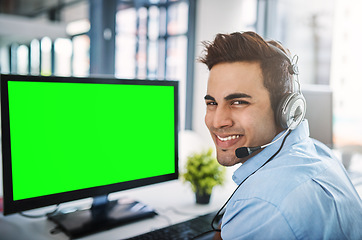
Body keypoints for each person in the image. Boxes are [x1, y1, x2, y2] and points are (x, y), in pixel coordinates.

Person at [198, 31, 362, 239]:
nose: (217, 121)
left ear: (285, 110)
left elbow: (267, 207)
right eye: (212, 103)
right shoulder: (319, 153)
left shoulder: (263, 205)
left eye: (238, 102)